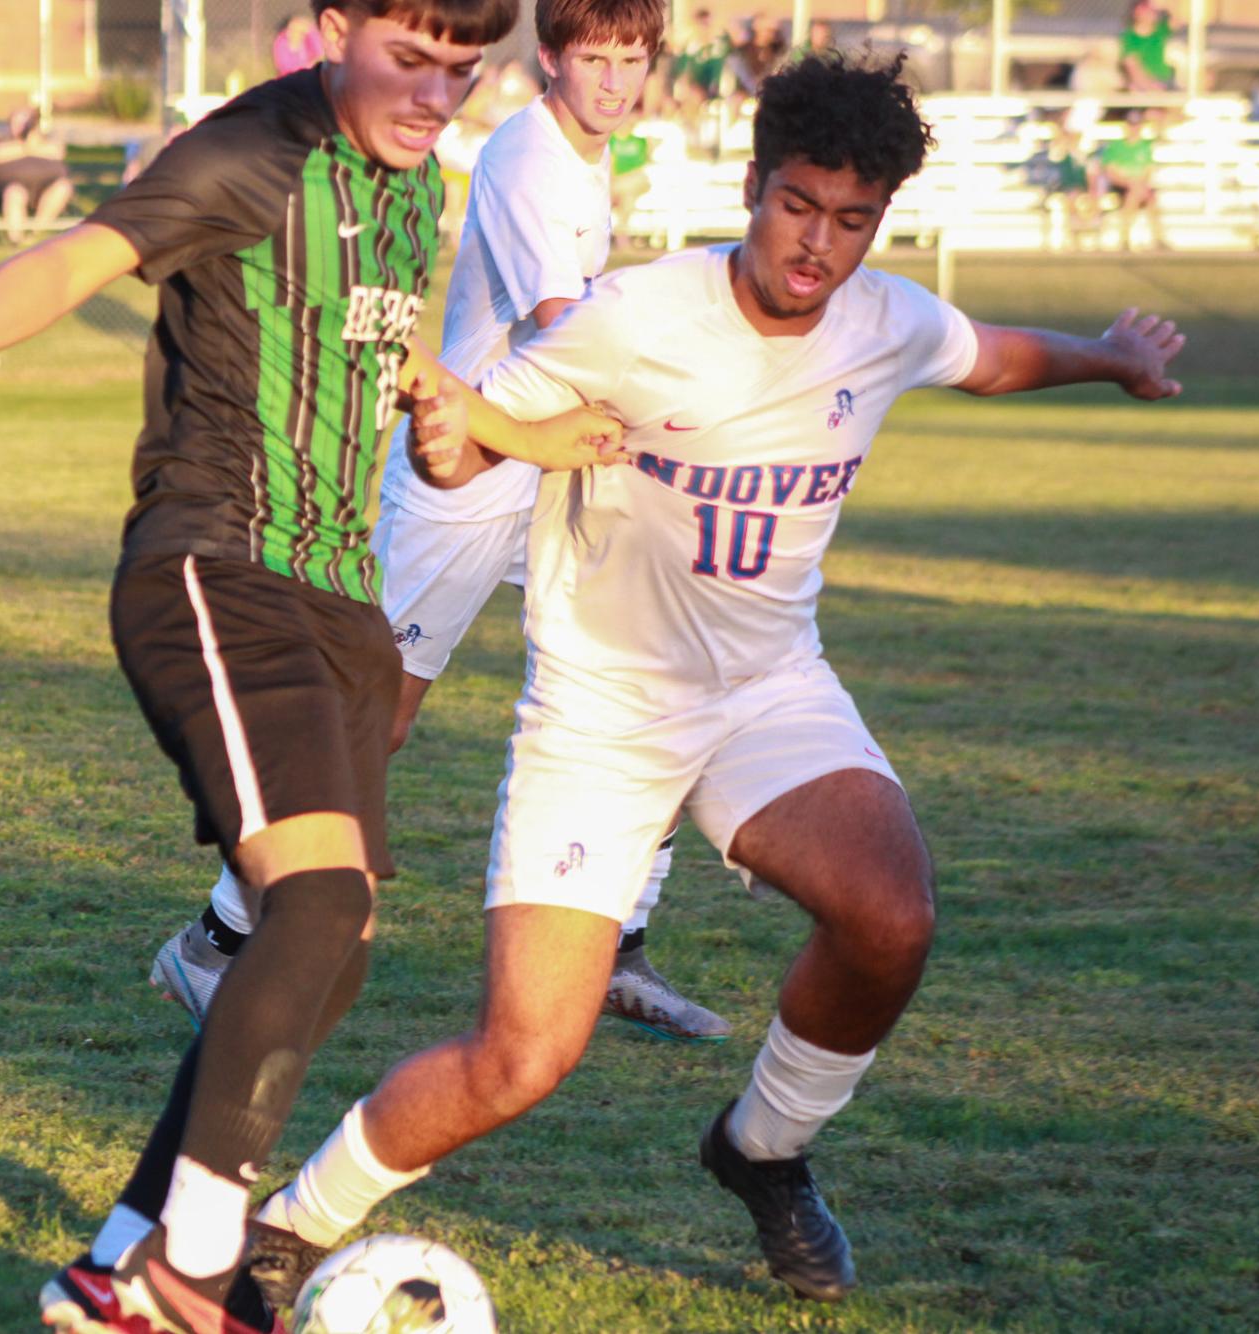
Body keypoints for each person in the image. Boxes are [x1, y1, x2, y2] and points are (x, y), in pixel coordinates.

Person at [238, 51, 1185, 1309]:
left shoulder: (885, 318)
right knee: (524, 1054)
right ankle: (289, 1227)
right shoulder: (635, 316)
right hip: (600, 714)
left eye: (853, 220)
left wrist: (1112, 357)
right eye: (799, 204)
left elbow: (991, 352)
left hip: (766, 690)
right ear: (752, 185)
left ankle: (764, 1149)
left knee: (890, 914)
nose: (818, 244)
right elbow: (476, 440)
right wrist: (449, 434)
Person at [0, 3, 618, 1329]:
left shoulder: (421, 180)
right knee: (310, 907)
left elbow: (373, 357)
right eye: (407, 61)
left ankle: (121, 1255)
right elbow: (86, 250)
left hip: (339, 602)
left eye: (461, 72)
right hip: (215, 568)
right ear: (327, 33)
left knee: (336, 936)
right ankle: (186, 1273)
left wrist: (467, 426)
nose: (433, 96)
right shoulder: (252, 151)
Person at [148, 0, 732, 1053]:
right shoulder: (527, 156)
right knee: (377, 717)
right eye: (591, 57)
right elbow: (565, 323)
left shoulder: (589, 156)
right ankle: (214, 940)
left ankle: (621, 942)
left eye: (629, 59)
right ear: (549, 57)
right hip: (467, 472)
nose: (611, 79)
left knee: (646, 674)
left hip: (556, 465)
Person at [0, 109, 72, 246]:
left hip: (44, 191)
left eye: (25, 123)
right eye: (17, 123)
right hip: (11, 191)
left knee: (63, 187)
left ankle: (35, 233)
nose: (21, 127)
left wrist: (33, 142)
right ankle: (16, 240)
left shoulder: (48, 142)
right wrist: (28, 146)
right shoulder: (0, 143)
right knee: (15, 192)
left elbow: (57, 151)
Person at [1099, 111, 1169, 250]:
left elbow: (1148, 171)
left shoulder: (1145, 146)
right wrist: (1130, 183)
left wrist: (1138, 184)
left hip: (1140, 186)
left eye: (1137, 125)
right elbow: (1111, 172)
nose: (1134, 128)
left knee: (1150, 200)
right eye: (1131, 125)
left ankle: (1157, 238)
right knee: (1134, 196)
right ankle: (1125, 238)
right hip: (1122, 186)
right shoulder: (1116, 146)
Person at [1120, 0, 1177, 93]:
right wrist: (1150, 86)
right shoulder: (1130, 37)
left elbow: (1179, 17)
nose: (1153, 12)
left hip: (1165, 81)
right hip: (1143, 86)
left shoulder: (1160, 30)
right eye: (1148, 9)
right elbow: (1132, 68)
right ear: (1137, 12)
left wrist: (1168, 4)